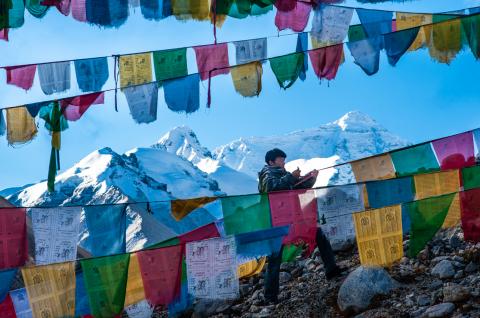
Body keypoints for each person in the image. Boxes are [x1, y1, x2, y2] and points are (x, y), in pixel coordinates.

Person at [258, 148, 345, 304]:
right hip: (275, 223)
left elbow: (296, 187)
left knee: (318, 234)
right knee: (275, 258)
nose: (283, 162)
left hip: (292, 219)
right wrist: (291, 177)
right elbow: (272, 188)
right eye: (280, 159)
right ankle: (270, 297)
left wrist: (310, 179)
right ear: (271, 162)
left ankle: (331, 270)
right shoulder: (267, 174)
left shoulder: (282, 174)